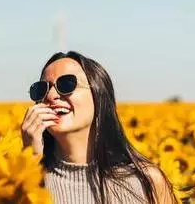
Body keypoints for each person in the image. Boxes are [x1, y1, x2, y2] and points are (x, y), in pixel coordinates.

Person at [21, 51, 176, 204]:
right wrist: (31, 164)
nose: (51, 95)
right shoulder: (13, 184)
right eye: (42, 89)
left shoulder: (146, 181)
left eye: (67, 84)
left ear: (98, 95)